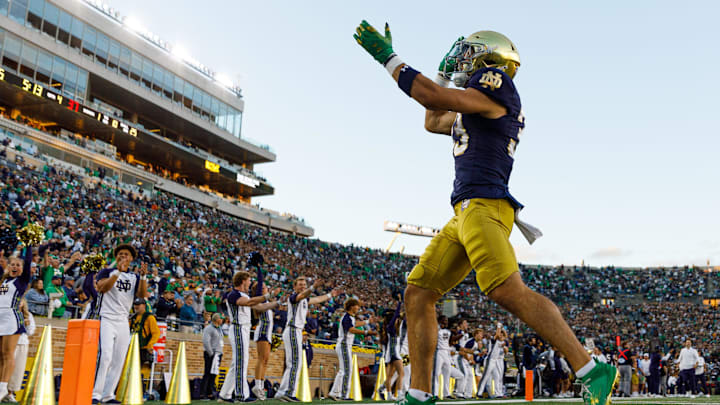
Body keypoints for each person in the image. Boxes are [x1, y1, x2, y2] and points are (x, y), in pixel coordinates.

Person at [353, 21, 618, 405]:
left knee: (507, 290)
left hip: (485, 205)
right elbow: (432, 117)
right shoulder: (473, 107)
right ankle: (419, 393)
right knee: (418, 293)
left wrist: (388, 59)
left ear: (490, 60)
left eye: (467, 53)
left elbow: (428, 94)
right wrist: (442, 76)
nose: (461, 59)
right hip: (462, 212)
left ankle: (590, 369)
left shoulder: (496, 84)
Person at [92, 243, 147, 404]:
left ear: (131, 259)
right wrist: (117, 272)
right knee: (105, 356)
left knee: (118, 359)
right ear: (116, 257)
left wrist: (143, 277)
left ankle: (108, 394)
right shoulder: (107, 271)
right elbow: (102, 288)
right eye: (120, 254)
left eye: (126, 255)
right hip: (106, 317)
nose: (123, 256)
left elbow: (142, 295)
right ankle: (95, 394)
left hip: (123, 320)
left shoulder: (134, 277)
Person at [274, 277, 340, 402]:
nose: (302, 286)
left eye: (304, 284)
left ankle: (282, 392)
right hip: (293, 330)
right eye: (300, 284)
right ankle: (289, 392)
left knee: (292, 363)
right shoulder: (293, 297)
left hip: (296, 331)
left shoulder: (304, 299)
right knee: (295, 363)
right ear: (294, 287)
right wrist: (313, 287)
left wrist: (330, 294)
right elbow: (303, 295)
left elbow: (316, 299)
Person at [218, 271, 279, 403]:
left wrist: (277, 302)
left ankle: (225, 394)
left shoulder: (242, 295)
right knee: (241, 362)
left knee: (237, 363)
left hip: (243, 329)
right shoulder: (234, 294)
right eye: (249, 280)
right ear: (243, 281)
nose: (250, 283)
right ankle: (241, 395)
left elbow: (260, 304)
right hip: (239, 328)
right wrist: (269, 295)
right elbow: (251, 302)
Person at [330, 298, 377, 400]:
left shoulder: (348, 317)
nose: (358, 308)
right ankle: (343, 395)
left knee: (343, 370)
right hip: (344, 345)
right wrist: (366, 333)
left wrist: (367, 321)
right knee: (347, 370)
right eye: (357, 306)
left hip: (344, 345)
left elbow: (354, 324)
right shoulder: (347, 317)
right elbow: (351, 329)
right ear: (352, 307)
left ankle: (334, 392)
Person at [129, 297, 160, 371]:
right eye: (135, 305)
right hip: (134, 347)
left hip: (144, 348)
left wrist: (150, 345)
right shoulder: (133, 317)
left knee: (142, 370)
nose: (136, 307)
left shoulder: (149, 317)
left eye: (138, 305)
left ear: (144, 306)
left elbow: (156, 332)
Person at [201, 313, 224, 400]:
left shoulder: (219, 329)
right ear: (217, 319)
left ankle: (211, 393)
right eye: (221, 318)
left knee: (213, 374)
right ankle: (203, 394)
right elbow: (206, 341)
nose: (222, 320)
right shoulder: (209, 328)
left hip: (217, 354)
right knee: (207, 373)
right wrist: (211, 353)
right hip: (212, 354)